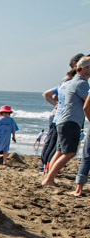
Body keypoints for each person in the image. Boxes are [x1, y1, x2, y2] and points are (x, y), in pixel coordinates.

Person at [43, 56, 90, 187]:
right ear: (85, 68)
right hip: (70, 121)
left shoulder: (73, 81)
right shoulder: (81, 83)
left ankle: (48, 177)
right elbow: (88, 102)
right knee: (70, 152)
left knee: (60, 152)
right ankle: (48, 179)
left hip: (63, 120)